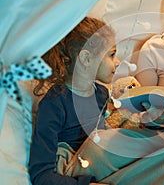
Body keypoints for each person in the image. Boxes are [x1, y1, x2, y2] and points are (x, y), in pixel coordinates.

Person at [29, 17, 120, 185]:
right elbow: (40, 174)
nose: (118, 62)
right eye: (112, 54)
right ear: (86, 59)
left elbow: (101, 137)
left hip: (100, 161)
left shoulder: (101, 93)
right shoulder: (54, 105)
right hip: (75, 169)